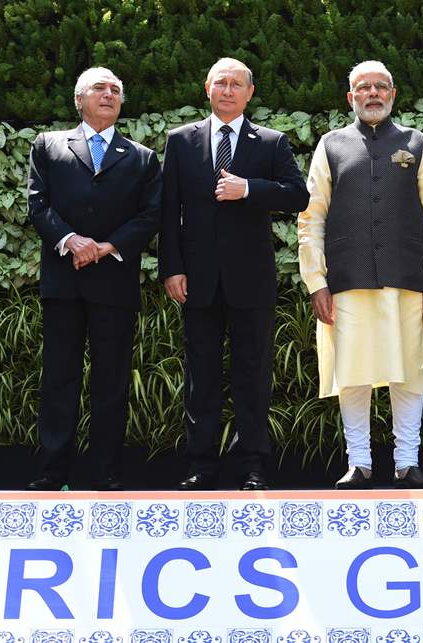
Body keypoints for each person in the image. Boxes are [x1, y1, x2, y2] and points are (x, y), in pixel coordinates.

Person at [298, 60, 423, 489]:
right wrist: (316, 281)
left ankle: (407, 461)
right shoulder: (330, 145)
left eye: (380, 87)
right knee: (353, 372)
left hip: (407, 279)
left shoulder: (416, 143)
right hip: (346, 281)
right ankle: (360, 463)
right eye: (363, 88)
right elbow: (311, 217)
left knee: (408, 370)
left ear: (392, 94)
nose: (372, 94)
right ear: (350, 97)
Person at [159, 58, 309, 491]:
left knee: (253, 375)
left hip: (251, 279)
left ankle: (252, 466)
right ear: (207, 88)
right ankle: (200, 465)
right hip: (197, 279)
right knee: (200, 376)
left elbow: (298, 195)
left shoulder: (271, 142)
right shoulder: (181, 141)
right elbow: (169, 211)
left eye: (236, 84)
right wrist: (172, 268)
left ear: (250, 92)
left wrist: (250, 190)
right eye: (220, 83)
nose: (227, 90)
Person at [25, 67, 162, 491]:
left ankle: (104, 472)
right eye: (100, 88)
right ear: (79, 99)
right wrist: (71, 240)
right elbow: (37, 203)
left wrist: (108, 246)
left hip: (114, 283)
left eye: (116, 90)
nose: (109, 95)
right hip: (64, 282)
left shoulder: (141, 156)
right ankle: (53, 473)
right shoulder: (48, 145)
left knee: (111, 382)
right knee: (59, 379)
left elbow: (152, 213)